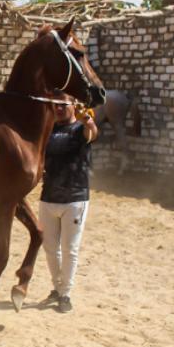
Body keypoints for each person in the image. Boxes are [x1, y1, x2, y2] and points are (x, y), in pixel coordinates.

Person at [38, 94, 98, 314]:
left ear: (74, 105)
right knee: (50, 248)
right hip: (48, 197)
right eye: (56, 105)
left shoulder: (79, 129)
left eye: (64, 105)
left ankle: (65, 294)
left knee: (69, 249)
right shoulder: (49, 129)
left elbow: (92, 133)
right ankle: (56, 288)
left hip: (75, 198)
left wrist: (88, 121)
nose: (59, 108)